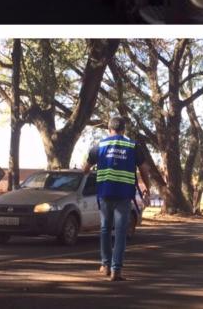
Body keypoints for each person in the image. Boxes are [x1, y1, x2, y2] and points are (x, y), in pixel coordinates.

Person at [83, 116, 152, 282]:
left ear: (109, 129)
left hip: (105, 193)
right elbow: (144, 169)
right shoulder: (133, 145)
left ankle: (105, 265)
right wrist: (146, 188)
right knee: (120, 232)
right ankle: (116, 271)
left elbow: (85, 168)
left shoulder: (100, 145)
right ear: (124, 129)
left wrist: (91, 174)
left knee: (105, 229)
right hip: (124, 194)